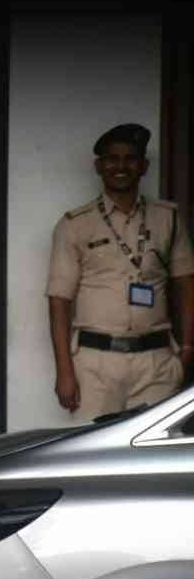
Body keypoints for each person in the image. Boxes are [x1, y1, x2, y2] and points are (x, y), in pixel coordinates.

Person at [47, 123, 194, 419]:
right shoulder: (75, 224)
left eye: (130, 158)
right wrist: (64, 370)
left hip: (156, 363)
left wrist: (188, 348)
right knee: (90, 456)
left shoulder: (168, 218)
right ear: (99, 166)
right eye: (113, 158)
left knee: (152, 459)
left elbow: (186, 284)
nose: (121, 166)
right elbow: (59, 301)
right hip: (95, 365)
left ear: (143, 166)